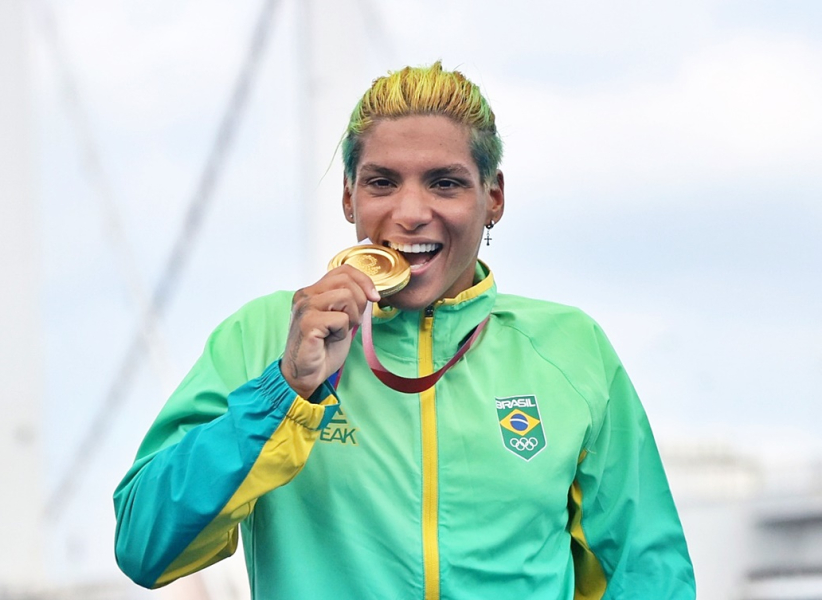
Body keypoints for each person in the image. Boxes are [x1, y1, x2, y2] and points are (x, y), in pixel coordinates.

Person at [114, 62, 695, 599]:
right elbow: (145, 547)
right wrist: (286, 389)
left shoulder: (570, 349)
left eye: (445, 183)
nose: (412, 212)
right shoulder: (266, 335)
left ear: (492, 198)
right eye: (382, 182)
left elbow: (646, 573)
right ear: (349, 198)